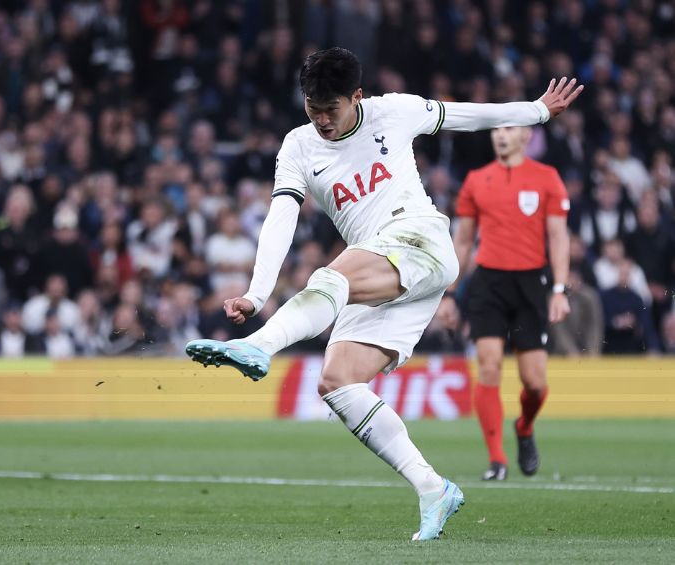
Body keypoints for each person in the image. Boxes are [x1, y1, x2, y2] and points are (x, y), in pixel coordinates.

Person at [185, 47, 582, 541]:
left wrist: (538, 111)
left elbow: (467, 115)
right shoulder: (298, 146)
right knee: (337, 383)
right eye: (313, 107)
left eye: (331, 108)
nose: (322, 119)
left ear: (357, 96)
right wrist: (257, 291)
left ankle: (259, 347)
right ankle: (433, 488)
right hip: (386, 271)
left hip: (420, 240)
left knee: (331, 276)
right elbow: (281, 217)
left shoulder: (393, 111)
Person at [438, 126, 571, 482]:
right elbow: (463, 241)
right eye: (498, 127)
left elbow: (558, 237)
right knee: (490, 366)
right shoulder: (476, 180)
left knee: (535, 382)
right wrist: (449, 294)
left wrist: (559, 289)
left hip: (531, 284)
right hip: (488, 283)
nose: (501, 135)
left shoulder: (547, 178)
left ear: (526, 135)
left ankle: (524, 427)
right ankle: (497, 460)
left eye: (510, 128)